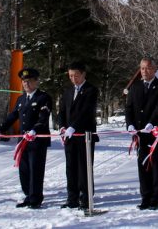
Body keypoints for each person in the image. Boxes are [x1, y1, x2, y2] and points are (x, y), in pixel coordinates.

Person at [0, 68, 52, 209]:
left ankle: (35, 198)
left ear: (36, 81)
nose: (26, 84)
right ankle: (28, 195)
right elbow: (13, 116)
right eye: (24, 82)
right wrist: (0, 129)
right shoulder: (21, 99)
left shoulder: (43, 97)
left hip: (36, 140)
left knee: (35, 170)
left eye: (29, 81)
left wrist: (34, 130)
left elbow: (43, 118)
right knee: (24, 170)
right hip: (23, 141)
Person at [125, 57, 158, 210]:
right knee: (143, 164)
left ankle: (156, 198)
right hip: (140, 134)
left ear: (155, 69)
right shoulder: (135, 87)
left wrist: (152, 123)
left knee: (157, 165)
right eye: (142, 68)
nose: (145, 71)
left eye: (148, 68)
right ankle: (145, 197)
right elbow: (129, 108)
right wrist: (130, 124)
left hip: (156, 133)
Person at [57, 61, 99, 209]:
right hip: (69, 137)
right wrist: (62, 126)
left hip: (84, 136)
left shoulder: (91, 90)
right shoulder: (68, 91)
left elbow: (86, 112)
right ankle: (72, 198)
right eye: (70, 76)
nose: (73, 79)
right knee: (71, 168)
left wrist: (74, 127)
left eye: (76, 75)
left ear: (83, 74)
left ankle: (86, 199)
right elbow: (62, 110)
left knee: (84, 168)